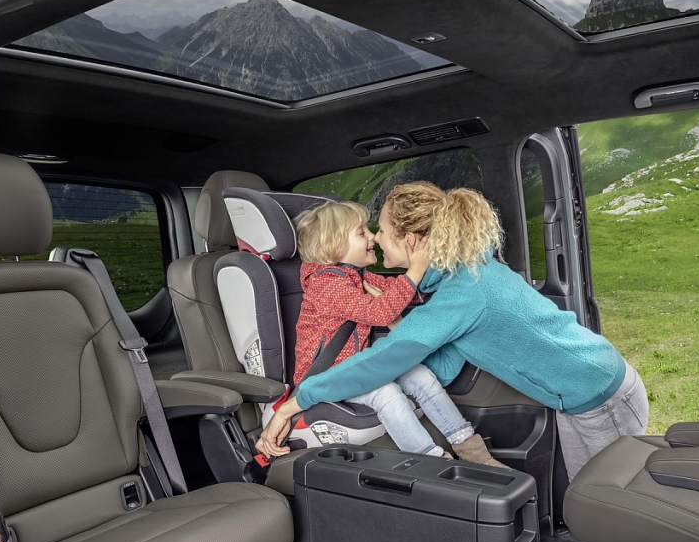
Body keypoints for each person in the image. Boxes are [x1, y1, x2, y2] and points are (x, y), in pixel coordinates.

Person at [259, 183, 647, 479]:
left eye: (382, 230)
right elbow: (442, 365)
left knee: (607, 506)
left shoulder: (461, 293)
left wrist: (293, 405)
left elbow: (385, 359)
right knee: (589, 498)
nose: (376, 238)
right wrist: (407, 371)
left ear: (411, 240)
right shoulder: (462, 275)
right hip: (582, 392)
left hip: (599, 396)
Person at [288, 200, 506, 466]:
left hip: (355, 369)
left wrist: (443, 278)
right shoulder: (325, 285)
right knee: (386, 392)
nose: (372, 237)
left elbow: (400, 292)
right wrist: (414, 270)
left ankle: (471, 449)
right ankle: (430, 462)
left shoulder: (355, 276)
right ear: (333, 245)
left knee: (420, 373)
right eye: (362, 232)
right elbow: (380, 312)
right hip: (328, 377)